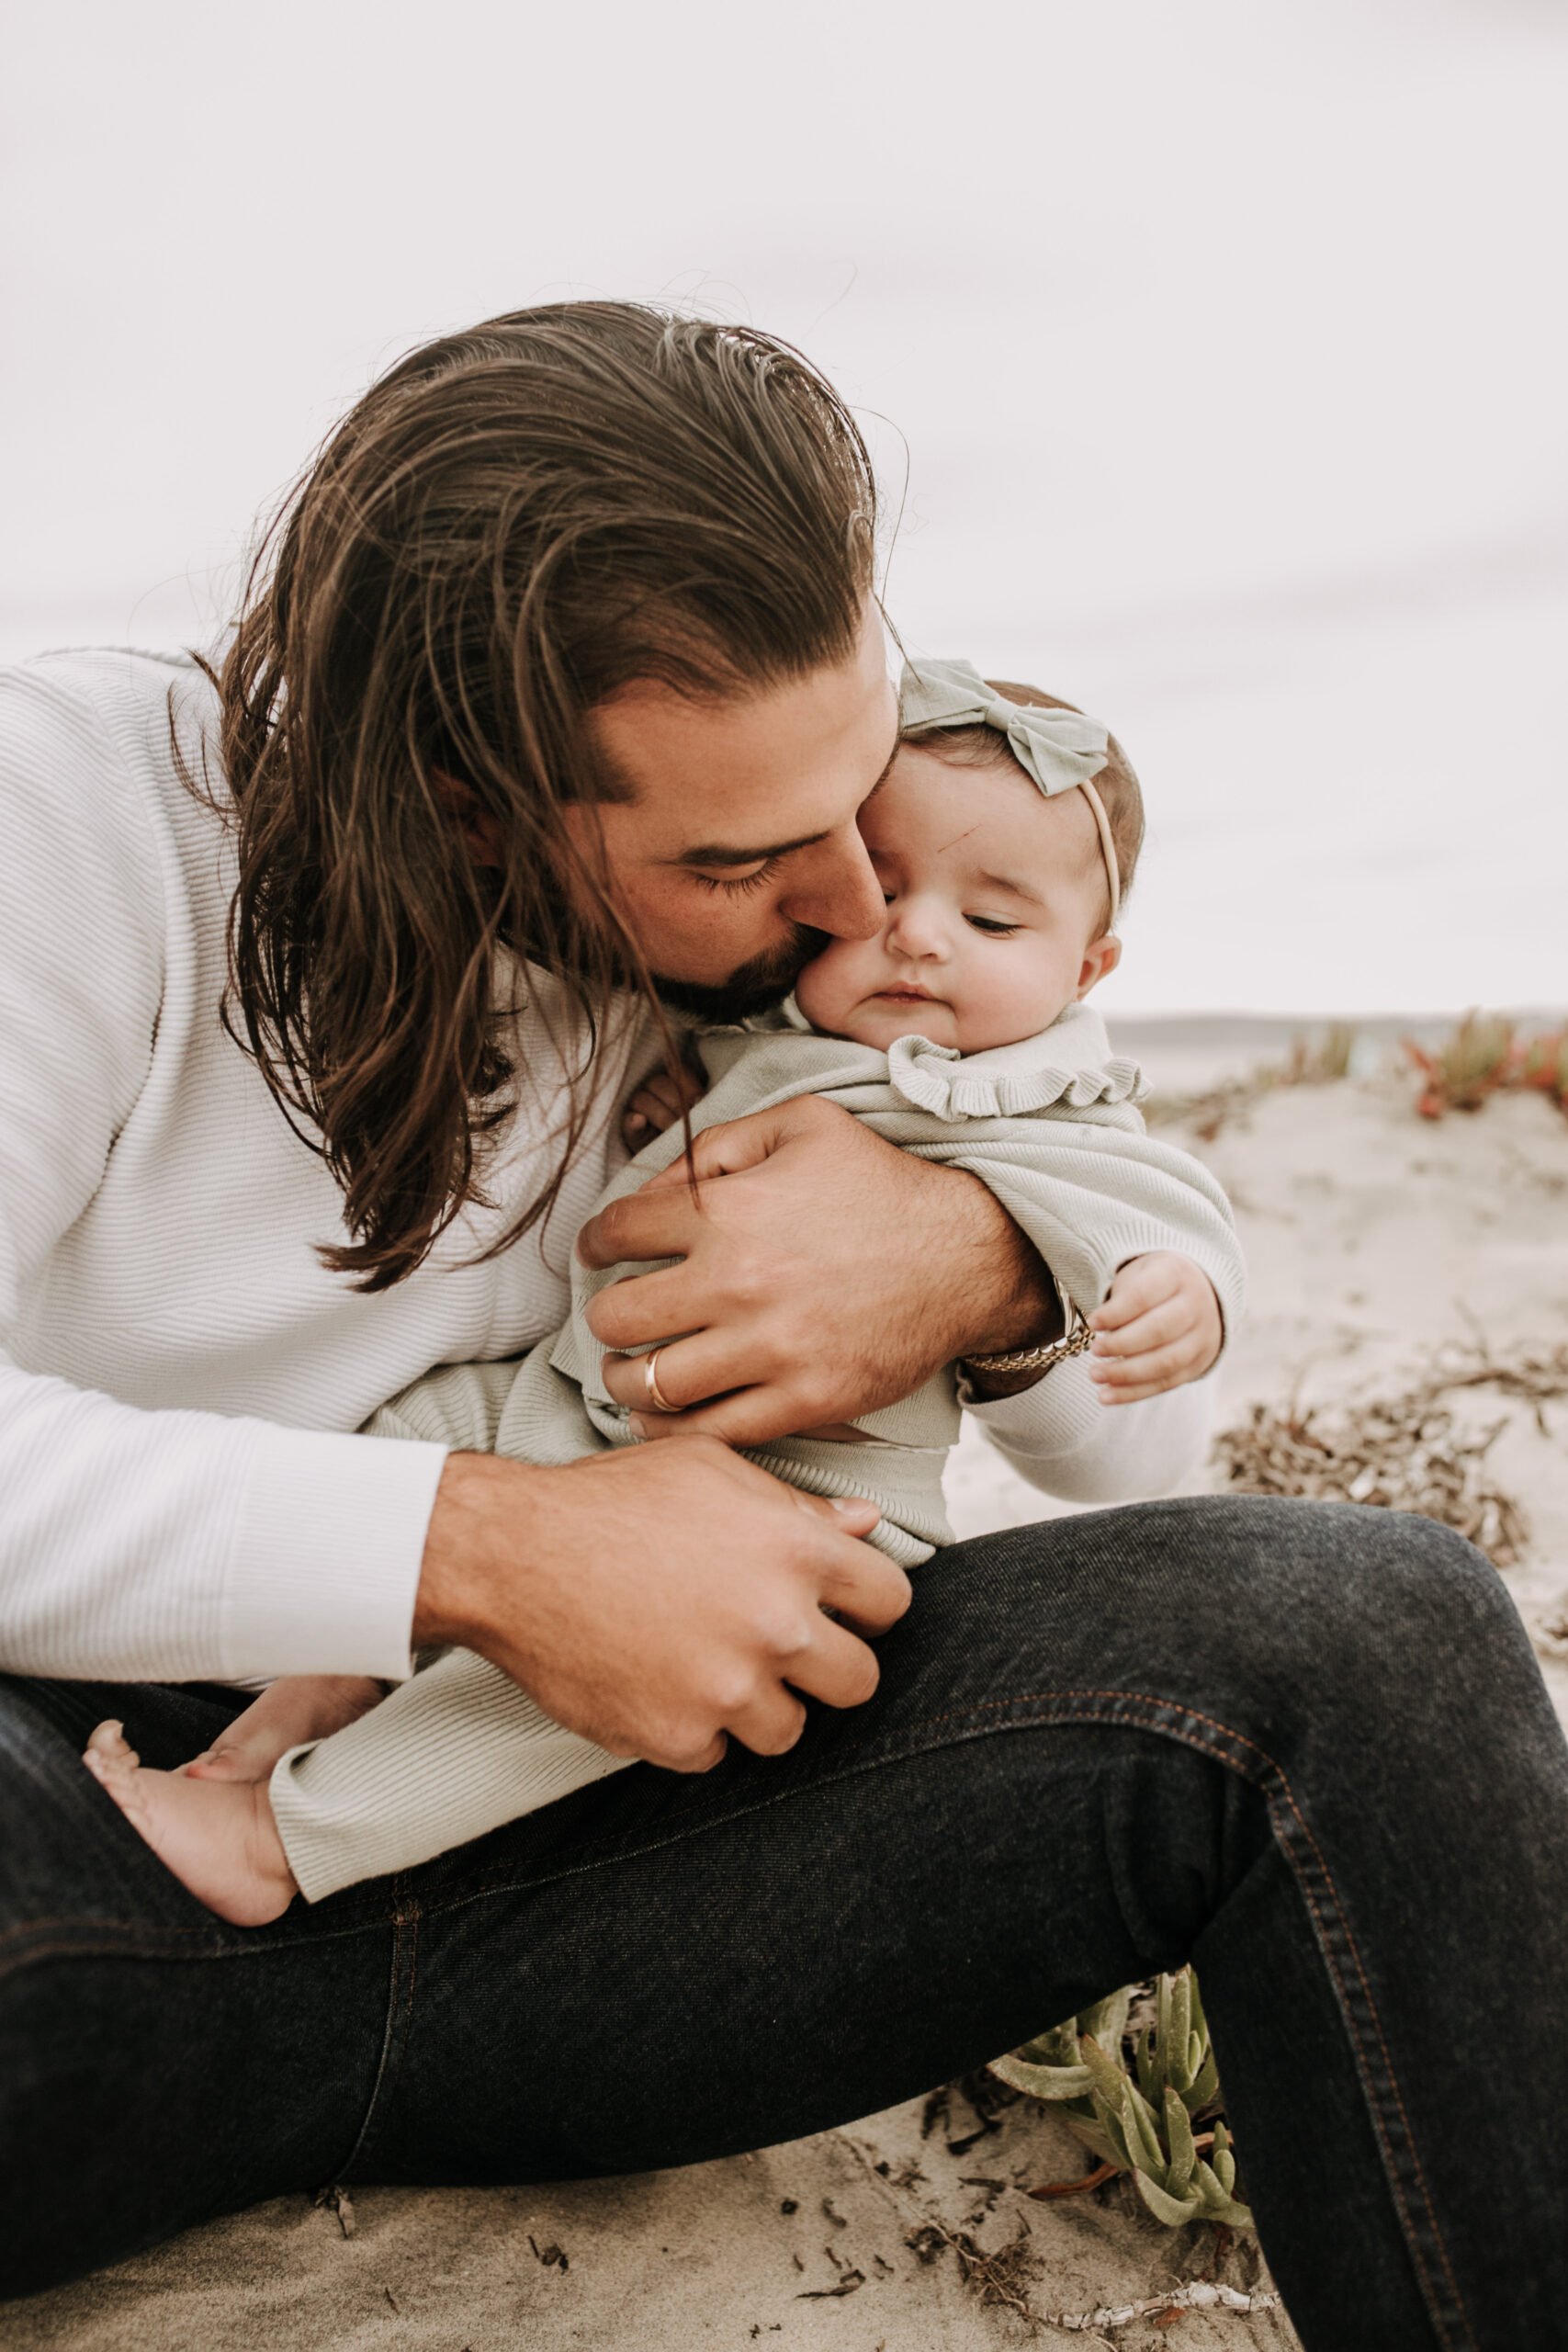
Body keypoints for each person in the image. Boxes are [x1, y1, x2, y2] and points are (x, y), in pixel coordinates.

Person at [1, 305, 1563, 2352]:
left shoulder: (830, 974)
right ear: (464, 804)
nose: (852, 894)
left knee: (1364, 1634)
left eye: (854, 793)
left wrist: (987, 1256)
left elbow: (1141, 1442)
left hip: (555, 1862)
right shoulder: (80, 812)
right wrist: (489, 1547)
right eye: (737, 858)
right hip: (80, 1800)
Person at [80, 658, 1250, 1920]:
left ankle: (281, 1842)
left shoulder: (1031, 1090)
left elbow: (1154, 1203)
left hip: (791, 1493)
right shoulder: (758, 1025)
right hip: (563, 1408)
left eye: (994, 922)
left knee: (533, 1714)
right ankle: (328, 1673)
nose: (915, 932)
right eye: (886, 889)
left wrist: (1172, 1291)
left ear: (1088, 974)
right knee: (409, 1449)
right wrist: (676, 1104)